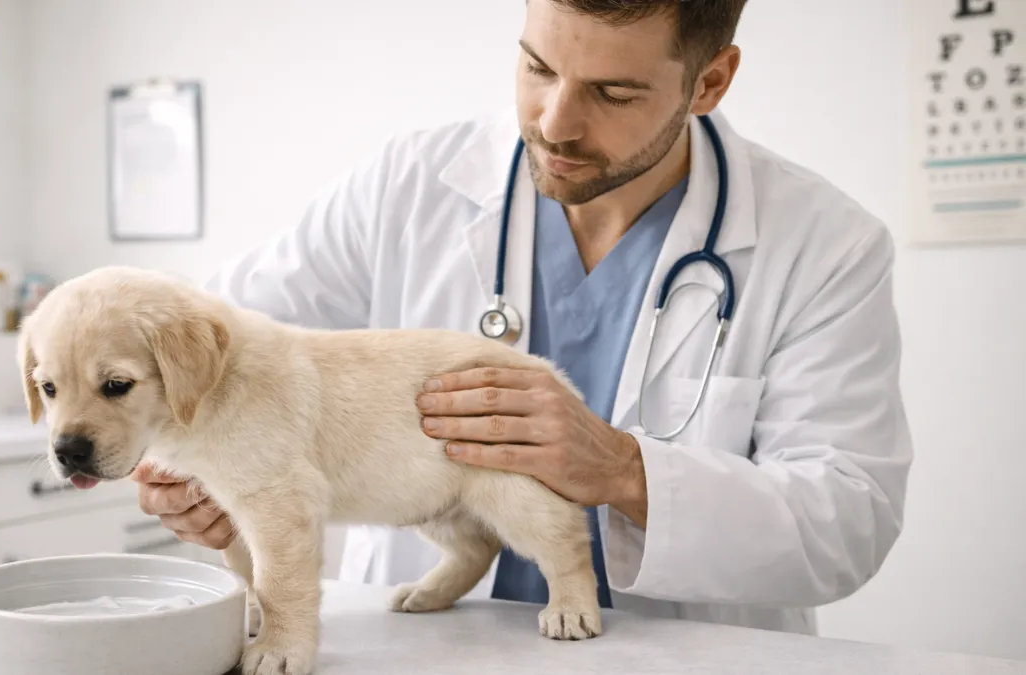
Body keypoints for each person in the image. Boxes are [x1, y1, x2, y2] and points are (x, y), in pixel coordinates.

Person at [132, 0, 912, 635]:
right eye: (538, 66)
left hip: (680, 649)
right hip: (428, 641)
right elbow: (213, 342)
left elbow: (848, 521)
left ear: (709, 82)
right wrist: (189, 467)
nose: (555, 121)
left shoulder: (824, 245)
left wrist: (623, 469)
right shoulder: (408, 186)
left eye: (613, 92)